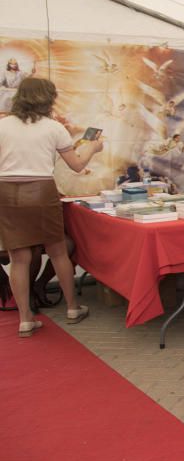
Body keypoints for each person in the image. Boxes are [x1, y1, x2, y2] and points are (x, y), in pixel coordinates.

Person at [0, 78, 104, 336]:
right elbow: (77, 165)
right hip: (42, 192)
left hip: (7, 192)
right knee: (58, 251)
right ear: (49, 99)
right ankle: (72, 307)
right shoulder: (54, 128)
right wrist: (92, 147)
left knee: (19, 259)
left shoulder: (2, 125)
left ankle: (25, 319)